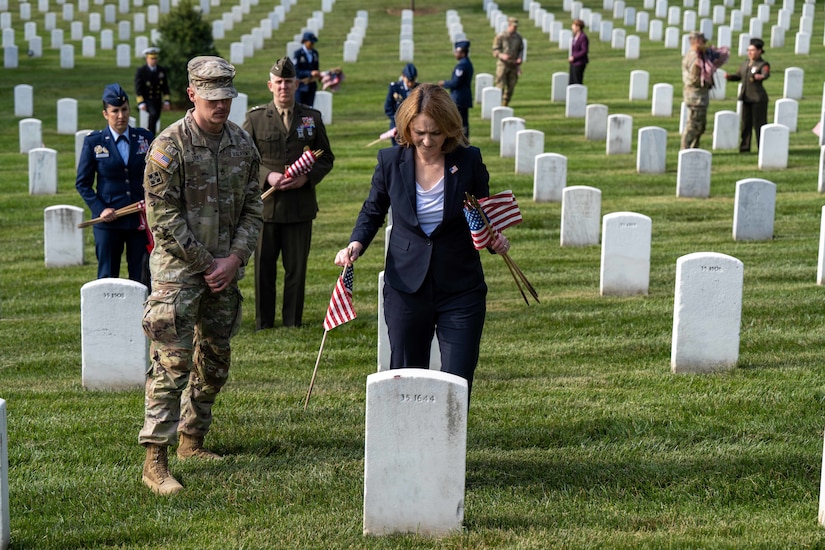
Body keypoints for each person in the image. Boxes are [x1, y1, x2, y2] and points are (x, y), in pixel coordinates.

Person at [333, 84, 509, 399]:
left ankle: (448, 445)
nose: (427, 141)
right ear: (406, 128)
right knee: (406, 377)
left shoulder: (469, 160)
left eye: (436, 133)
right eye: (419, 133)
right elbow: (373, 210)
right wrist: (356, 243)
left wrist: (496, 238)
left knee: (458, 379)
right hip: (406, 286)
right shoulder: (390, 162)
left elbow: (482, 213)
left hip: (460, 287)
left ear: (450, 129)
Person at [139, 56, 263, 496]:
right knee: (171, 365)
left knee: (214, 361)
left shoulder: (243, 145)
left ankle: (193, 439)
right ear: (192, 94)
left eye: (226, 97)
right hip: (179, 273)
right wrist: (207, 264)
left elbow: (254, 207)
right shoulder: (168, 147)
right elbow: (163, 218)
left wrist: (234, 259)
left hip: (224, 271)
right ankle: (155, 459)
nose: (221, 106)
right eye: (212, 98)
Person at [243, 56, 335, 329]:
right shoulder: (256, 119)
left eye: (288, 82)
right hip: (267, 209)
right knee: (264, 268)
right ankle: (264, 322)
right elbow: (246, 158)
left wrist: (306, 178)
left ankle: (293, 321)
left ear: (296, 84)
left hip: (299, 206)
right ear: (270, 85)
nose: (284, 87)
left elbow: (326, 157)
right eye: (279, 82)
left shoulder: (311, 118)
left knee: (296, 269)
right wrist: (267, 176)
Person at [76, 83, 154, 286]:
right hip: (108, 222)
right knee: (108, 278)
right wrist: (101, 209)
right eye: (115, 111)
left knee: (142, 277)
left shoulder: (144, 138)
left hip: (139, 219)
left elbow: (156, 175)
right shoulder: (94, 142)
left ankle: (141, 318)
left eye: (125, 109)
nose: (121, 115)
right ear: (105, 114)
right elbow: (83, 183)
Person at [725, 38, 770, 153]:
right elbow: (739, 76)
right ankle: (745, 147)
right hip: (746, 98)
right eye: (748, 50)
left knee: (759, 124)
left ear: (760, 51)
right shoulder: (745, 64)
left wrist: (761, 77)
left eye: (753, 50)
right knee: (745, 124)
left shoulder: (763, 64)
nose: (750, 52)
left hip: (758, 99)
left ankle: (763, 147)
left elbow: (766, 73)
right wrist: (729, 77)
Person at [681, 31, 713, 149]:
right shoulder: (695, 57)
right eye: (703, 41)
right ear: (697, 41)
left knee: (701, 125)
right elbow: (694, 79)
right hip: (696, 96)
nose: (705, 43)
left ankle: (694, 146)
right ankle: (686, 148)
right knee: (694, 125)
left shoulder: (695, 55)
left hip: (699, 96)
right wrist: (707, 80)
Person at [438, 41, 474, 139]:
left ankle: (462, 140)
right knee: (463, 121)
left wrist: (444, 83)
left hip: (459, 98)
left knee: (459, 122)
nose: (455, 54)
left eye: (457, 52)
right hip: (463, 98)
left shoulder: (461, 66)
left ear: (462, 53)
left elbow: (456, 82)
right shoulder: (467, 63)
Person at [134, 47, 171, 133]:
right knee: (153, 115)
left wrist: (167, 101)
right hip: (148, 99)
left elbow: (165, 86)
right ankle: (150, 135)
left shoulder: (161, 71)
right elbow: (138, 87)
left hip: (157, 100)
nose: (154, 60)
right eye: (152, 58)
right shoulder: (141, 71)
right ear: (147, 59)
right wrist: (141, 102)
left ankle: (150, 134)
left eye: (155, 58)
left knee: (156, 117)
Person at [384, 63, 418, 145]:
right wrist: (399, 121)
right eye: (408, 81)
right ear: (403, 76)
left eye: (412, 81)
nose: (410, 84)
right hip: (398, 126)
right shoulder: (395, 88)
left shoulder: (419, 88)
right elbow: (388, 108)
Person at [492, 17, 524, 106]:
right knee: (500, 85)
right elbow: (495, 50)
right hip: (503, 64)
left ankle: (505, 103)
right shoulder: (501, 36)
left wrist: (520, 58)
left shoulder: (518, 37)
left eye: (516, 26)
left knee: (511, 86)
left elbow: (521, 50)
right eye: (514, 26)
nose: (515, 28)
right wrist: (502, 55)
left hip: (513, 65)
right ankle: (497, 104)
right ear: (509, 25)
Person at [293, 32, 320, 107]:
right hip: (301, 86)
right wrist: (310, 73)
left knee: (309, 110)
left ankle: (308, 120)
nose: (312, 45)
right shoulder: (298, 54)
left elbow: (316, 68)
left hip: (311, 86)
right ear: (305, 41)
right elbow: (296, 71)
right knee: (300, 109)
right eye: (311, 43)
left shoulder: (315, 53)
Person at [568, 19, 589, 85]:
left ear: (578, 27)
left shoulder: (583, 37)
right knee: (572, 80)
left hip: (579, 63)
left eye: (573, 25)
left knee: (577, 80)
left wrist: (574, 57)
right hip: (573, 63)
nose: (572, 27)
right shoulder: (575, 36)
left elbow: (584, 50)